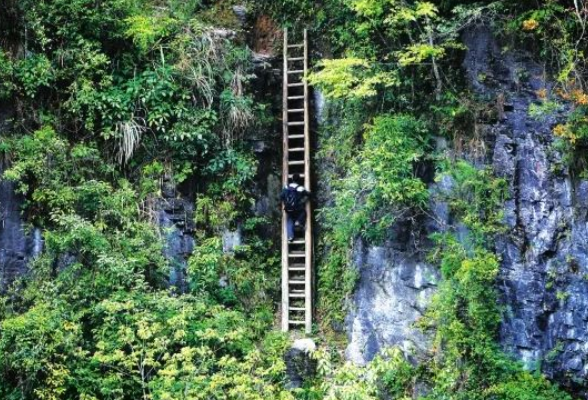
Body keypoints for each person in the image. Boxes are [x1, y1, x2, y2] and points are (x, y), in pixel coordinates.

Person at [280, 173, 310, 242]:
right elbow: (308, 194)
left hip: (288, 209)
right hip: (297, 209)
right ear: (299, 180)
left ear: (292, 179)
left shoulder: (286, 187)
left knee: (289, 219)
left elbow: (281, 196)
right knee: (303, 212)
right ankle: (298, 222)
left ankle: (290, 236)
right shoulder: (300, 188)